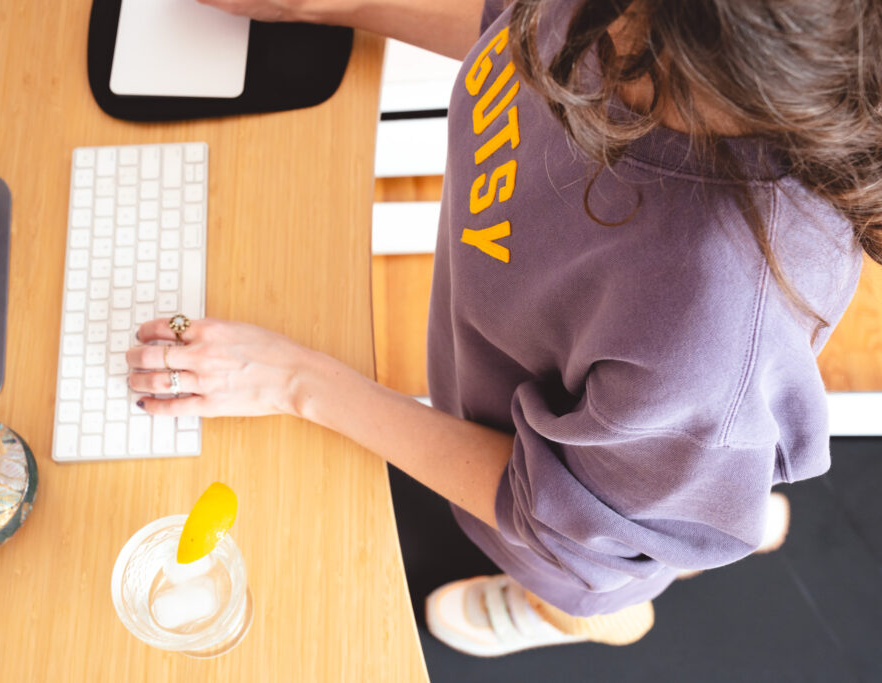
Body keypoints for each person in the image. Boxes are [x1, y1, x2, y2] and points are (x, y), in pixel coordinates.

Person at [126, 0, 881, 657]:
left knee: (599, 591)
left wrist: (297, 380)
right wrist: (330, 4)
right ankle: (715, 509)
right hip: (636, 439)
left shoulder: (710, 322)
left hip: (565, 533)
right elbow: (518, 24)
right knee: (690, 491)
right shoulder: (638, 32)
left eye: (612, 35)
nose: (572, 33)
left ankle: (574, 609)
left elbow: (555, 525)